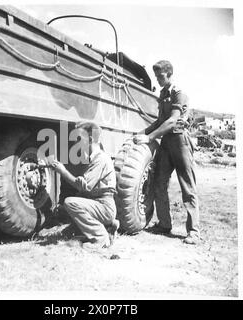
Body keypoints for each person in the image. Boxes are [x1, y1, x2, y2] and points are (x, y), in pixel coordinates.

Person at [133, 60, 200, 245]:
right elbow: (160, 122)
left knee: (187, 185)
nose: (157, 79)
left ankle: (194, 231)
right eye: (155, 76)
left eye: (159, 76)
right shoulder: (163, 94)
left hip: (180, 142)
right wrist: (142, 133)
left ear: (169, 73)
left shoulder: (179, 93)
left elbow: (171, 121)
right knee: (159, 182)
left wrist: (150, 137)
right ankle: (164, 224)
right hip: (167, 142)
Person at [49, 121, 119, 249]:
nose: (75, 144)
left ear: (91, 139)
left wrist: (62, 171)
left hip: (104, 206)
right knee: (69, 233)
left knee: (70, 203)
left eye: (79, 139)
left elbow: (82, 187)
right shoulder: (94, 158)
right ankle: (109, 225)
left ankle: (101, 237)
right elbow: (84, 187)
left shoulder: (101, 159)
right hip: (98, 204)